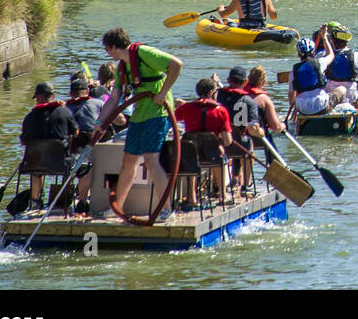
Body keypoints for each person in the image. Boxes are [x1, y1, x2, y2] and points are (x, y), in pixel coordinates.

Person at [93, 28, 183, 220]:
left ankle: (166, 210)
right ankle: (117, 209)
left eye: (107, 49)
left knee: (151, 160)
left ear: (113, 47)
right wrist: (100, 121)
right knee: (128, 161)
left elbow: (176, 65)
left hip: (159, 113)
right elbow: (114, 97)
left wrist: (162, 92)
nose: (107, 53)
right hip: (139, 115)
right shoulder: (121, 67)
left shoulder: (144, 53)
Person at [172, 77, 234, 209]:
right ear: (211, 93)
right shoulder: (221, 111)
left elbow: (172, 117)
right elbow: (228, 141)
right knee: (221, 152)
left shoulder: (187, 108)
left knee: (191, 157)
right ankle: (222, 194)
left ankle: (191, 197)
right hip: (211, 154)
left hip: (191, 152)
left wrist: (178, 106)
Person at [19, 81, 79, 209]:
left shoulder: (29, 117)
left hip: (34, 163)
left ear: (38, 98)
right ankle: (65, 198)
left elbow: (23, 141)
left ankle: (35, 201)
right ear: (53, 95)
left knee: (36, 168)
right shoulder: (64, 112)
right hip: (61, 162)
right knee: (78, 164)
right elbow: (76, 132)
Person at [216, 66, 260, 189]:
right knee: (248, 141)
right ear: (245, 82)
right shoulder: (249, 101)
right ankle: (247, 184)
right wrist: (261, 132)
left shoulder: (219, 95)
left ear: (229, 80)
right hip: (239, 144)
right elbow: (253, 129)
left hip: (219, 143)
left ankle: (218, 184)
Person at [290, 36, 335, 115]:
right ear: (314, 53)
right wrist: (324, 37)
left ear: (298, 54)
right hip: (321, 105)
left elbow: (291, 97)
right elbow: (331, 55)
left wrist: (296, 106)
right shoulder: (320, 63)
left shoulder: (293, 71)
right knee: (341, 90)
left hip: (302, 108)